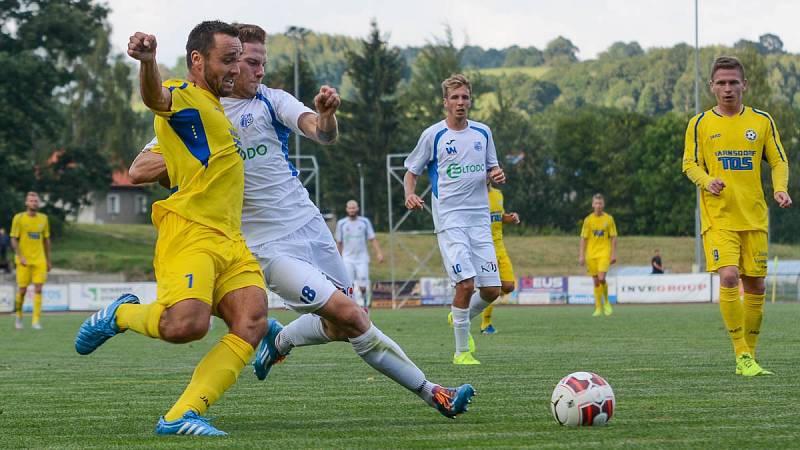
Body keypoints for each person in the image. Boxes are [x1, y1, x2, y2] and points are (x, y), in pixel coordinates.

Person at [129, 24, 475, 419]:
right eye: (250, 63)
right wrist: (199, 155)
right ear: (228, 63)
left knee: (343, 325)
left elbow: (319, 132)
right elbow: (139, 169)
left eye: (263, 63)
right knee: (351, 316)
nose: (259, 71)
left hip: (310, 226)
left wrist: (326, 116)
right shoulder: (198, 113)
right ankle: (435, 393)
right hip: (267, 247)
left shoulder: (271, 101)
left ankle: (280, 341)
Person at [74, 21, 270, 436]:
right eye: (228, 59)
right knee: (187, 326)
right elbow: (155, 97)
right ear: (198, 60)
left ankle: (181, 415)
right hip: (191, 232)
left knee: (252, 321)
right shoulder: (184, 95)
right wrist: (147, 62)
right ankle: (121, 314)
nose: (236, 68)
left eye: (239, 59)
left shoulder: (217, 108)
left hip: (230, 239)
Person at [682, 56, 791, 377]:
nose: (727, 89)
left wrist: (780, 188)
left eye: (733, 82)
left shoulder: (762, 121)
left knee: (755, 284)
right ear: (712, 87)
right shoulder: (699, 124)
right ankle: (741, 354)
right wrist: (706, 181)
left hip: (754, 216)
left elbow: (779, 160)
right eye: (721, 83)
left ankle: (751, 357)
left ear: (744, 85)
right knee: (729, 276)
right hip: (718, 217)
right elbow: (689, 164)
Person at [404, 73, 504, 365]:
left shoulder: (483, 133)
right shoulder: (433, 135)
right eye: (455, 98)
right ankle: (462, 352)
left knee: (491, 290)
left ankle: (457, 315)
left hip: (480, 219)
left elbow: (492, 170)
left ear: (470, 101)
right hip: (450, 219)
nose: (460, 103)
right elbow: (412, 171)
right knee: (466, 285)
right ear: (445, 102)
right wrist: (410, 194)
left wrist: (496, 175)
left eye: (465, 97)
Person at [479, 182, 520, 334]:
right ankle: (485, 323)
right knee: (493, 288)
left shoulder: (498, 194)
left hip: (500, 246)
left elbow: (499, 217)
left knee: (509, 286)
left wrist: (511, 218)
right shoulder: (475, 195)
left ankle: (476, 299)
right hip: (484, 247)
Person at [10, 192, 51, 330]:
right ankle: (19, 316)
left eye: (36, 201)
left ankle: (35, 321)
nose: (34, 203)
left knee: (38, 289)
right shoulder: (19, 218)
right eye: (31, 200)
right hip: (23, 261)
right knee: (22, 290)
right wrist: (20, 256)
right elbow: (13, 238)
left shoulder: (44, 218)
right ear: (26, 203)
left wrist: (48, 260)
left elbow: (46, 240)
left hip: (39, 260)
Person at [335, 200, 384, 308]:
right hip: (347, 258)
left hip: (362, 258)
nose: (352, 210)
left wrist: (379, 253)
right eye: (350, 208)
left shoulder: (365, 222)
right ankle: (352, 307)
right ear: (346, 209)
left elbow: (372, 239)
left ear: (357, 209)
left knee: (363, 285)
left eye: (354, 208)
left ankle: (364, 301)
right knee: (349, 284)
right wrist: (337, 259)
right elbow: (339, 243)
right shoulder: (341, 223)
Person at [578, 193, 617, 317]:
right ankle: (598, 308)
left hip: (604, 253)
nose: (598, 205)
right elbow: (583, 238)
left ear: (603, 205)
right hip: (591, 254)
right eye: (596, 203)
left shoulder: (609, 219)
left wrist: (613, 254)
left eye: (600, 203)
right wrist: (581, 255)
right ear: (592, 205)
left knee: (601, 278)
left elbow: (614, 237)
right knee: (595, 281)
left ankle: (606, 302)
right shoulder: (588, 220)